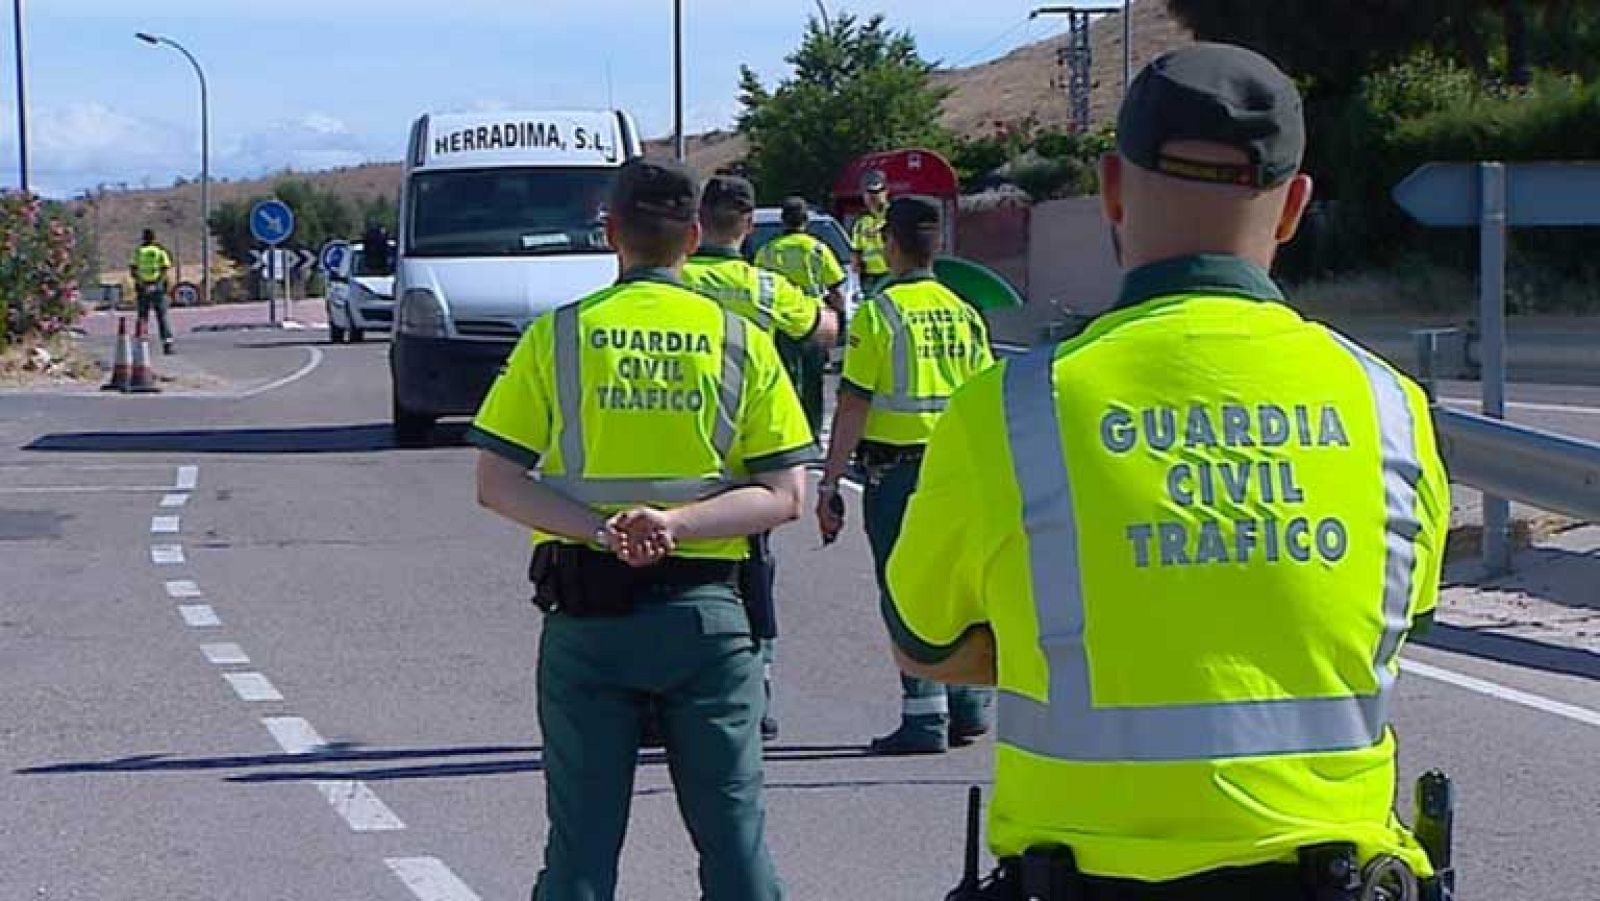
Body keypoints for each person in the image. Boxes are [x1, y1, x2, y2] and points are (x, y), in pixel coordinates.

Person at [885, 44, 1452, 900]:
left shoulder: (1009, 408)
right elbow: (1383, 628)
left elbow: (925, 643)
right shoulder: (1391, 408)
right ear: (1294, 206)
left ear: (1112, 187)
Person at [469, 158, 813, 901]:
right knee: (735, 840)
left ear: (610, 232)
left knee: (581, 852)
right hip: (708, 619)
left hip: (589, 622)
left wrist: (605, 532)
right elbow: (786, 494)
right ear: (694, 235)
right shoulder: (739, 339)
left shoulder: (559, 336)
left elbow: (497, 483)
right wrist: (674, 524)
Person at [815, 196, 995, 756]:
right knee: (963, 588)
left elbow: (853, 403)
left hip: (898, 474)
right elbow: (986, 396)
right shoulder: (962, 309)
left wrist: (829, 483)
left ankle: (924, 717)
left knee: (906, 591)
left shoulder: (879, 312)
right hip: (959, 472)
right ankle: (970, 707)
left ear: (890, 245)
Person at [683, 174, 840, 743]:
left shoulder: (677, 279)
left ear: (698, 222)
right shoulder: (764, 287)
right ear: (747, 227)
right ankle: (754, 691)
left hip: (681, 439)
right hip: (753, 446)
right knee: (752, 570)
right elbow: (825, 329)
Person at [753, 196, 848, 435]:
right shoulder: (817, 249)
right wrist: (841, 322)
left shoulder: (768, 251)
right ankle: (813, 434)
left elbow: (757, 288)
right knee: (814, 383)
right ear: (805, 221)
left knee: (784, 381)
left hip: (781, 325)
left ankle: (788, 432)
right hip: (814, 323)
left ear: (783, 221)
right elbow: (836, 289)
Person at [129, 228, 175, 354]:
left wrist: (142, 284)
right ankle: (167, 344)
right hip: (158, 288)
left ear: (143, 238)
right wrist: (157, 284)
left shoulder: (139, 251)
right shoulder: (160, 251)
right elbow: (165, 269)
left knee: (143, 317)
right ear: (154, 238)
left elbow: (133, 270)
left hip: (143, 287)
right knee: (162, 317)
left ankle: (140, 345)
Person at [850, 169, 892, 295]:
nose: (873, 196)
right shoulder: (861, 221)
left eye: (877, 192)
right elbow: (856, 250)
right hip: (869, 278)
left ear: (886, 192)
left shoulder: (894, 215)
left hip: (891, 274)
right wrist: (856, 264)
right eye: (868, 192)